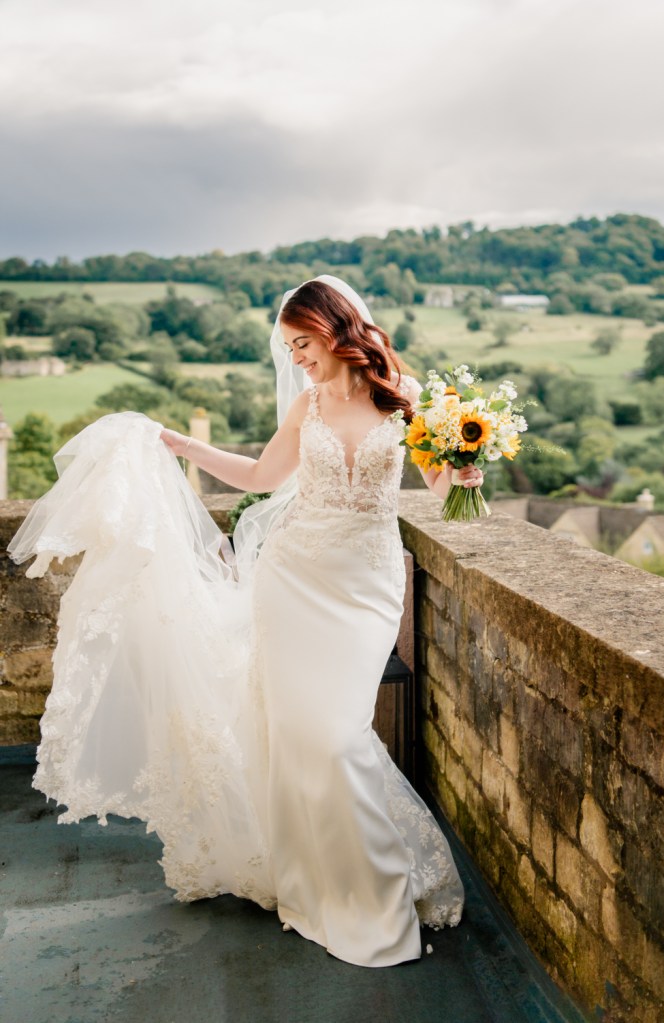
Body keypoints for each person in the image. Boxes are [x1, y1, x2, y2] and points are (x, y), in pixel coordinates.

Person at [9, 275, 482, 969]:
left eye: (303, 343)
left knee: (336, 735)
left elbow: (442, 490)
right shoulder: (309, 405)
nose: (296, 358)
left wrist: (465, 469)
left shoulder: (409, 402)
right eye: (288, 346)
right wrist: (175, 442)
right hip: (292, 578)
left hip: (365, 584)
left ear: (338, 330)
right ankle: (322, 881)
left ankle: (374, 893)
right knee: (295, 733)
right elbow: (261, 477)